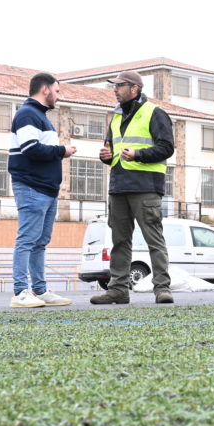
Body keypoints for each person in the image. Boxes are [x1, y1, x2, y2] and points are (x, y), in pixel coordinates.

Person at [91, 71, 176, 305]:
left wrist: (139, 154)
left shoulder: (154, 113)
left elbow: (167, 147)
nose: (115, 90)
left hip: (146, 187)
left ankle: (162, 288)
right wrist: (106, 157)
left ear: (134, 89)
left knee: (154, 239)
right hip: (118, 187)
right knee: (119, 241)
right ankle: (118, 288)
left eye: (119, 86)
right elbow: (111, 150)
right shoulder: (116, 118)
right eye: (114, 86)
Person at [8, 72, 76, 308]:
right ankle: (19, 292)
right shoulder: (28, 114)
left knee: (40, 242)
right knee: (27, 239)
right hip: (31, 186)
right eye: (57, 91)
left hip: (46, 189)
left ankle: (39, 290)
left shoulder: (40, 116)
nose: (59, 96)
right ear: (45, 89)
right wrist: (62, 150)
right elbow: (30, 149)